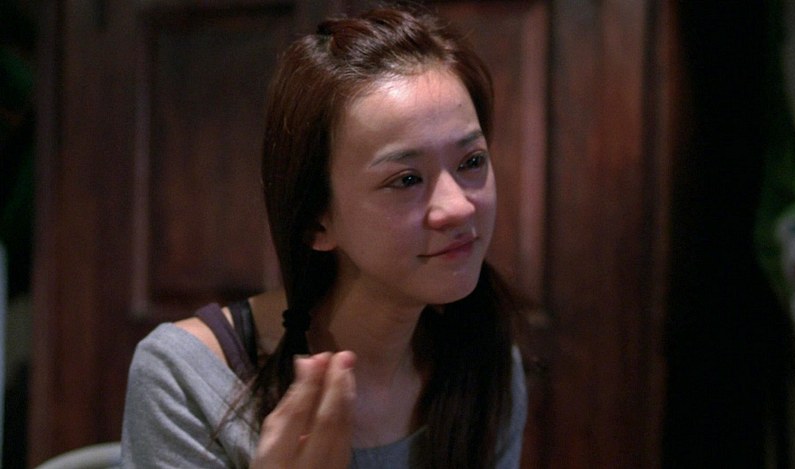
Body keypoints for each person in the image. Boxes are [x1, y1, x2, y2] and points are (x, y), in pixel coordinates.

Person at [121, 5, 527, 468]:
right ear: (317, 222)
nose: (459, 207)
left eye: (471, 162)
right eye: (407, 180)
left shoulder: (485, 364)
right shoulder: (189, 376)